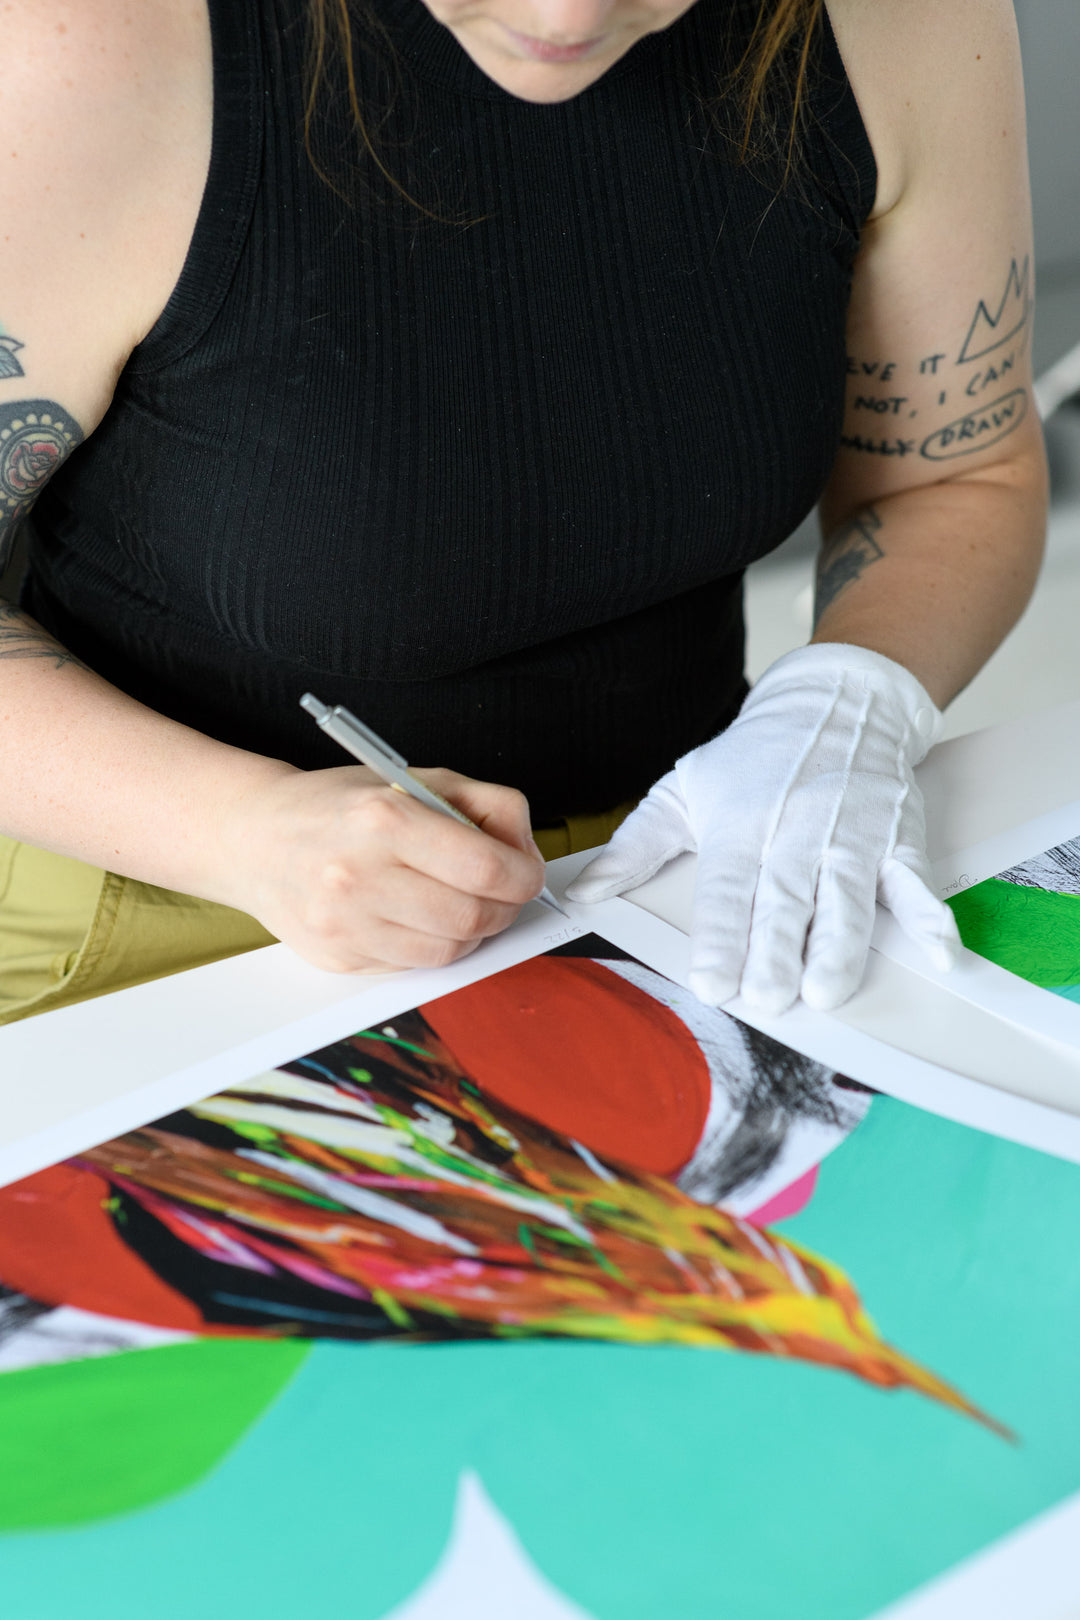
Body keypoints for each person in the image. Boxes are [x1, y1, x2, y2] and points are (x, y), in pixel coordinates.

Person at [0, 0, 1047, 1025]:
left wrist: (849, 698)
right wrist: (235, 831)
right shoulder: (92, 47)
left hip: (678, 860)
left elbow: (955, 475)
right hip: (141, 895)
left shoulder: (896, 22)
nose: (568, 14)